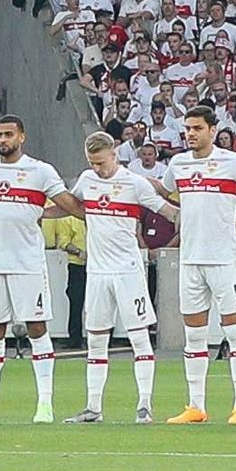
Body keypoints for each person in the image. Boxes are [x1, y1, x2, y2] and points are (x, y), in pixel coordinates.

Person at [154, 107, 236, 422]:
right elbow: (164, 191)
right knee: (194, 336)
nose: (190, 134)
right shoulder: (178, 164)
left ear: (213, 130)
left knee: (235, 332)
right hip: (190, 259)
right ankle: (196, 406)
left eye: (197, 128)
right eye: (187, 128)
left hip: (224, 259)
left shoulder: (234, 163)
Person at [0, 113, 65, 421]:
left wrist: (43, 213)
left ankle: (45, 404)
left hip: (27, 263)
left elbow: (67, 203)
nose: (3, 140)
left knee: (36, 327)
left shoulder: (40, 171)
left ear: (22, 136)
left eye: (9, 134)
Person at [60, 127, 159, 421]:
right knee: (96, 339)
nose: (97, 169)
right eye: (92, 163)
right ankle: (94, 407)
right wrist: (36, 211)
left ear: (114, 155)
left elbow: (164, 208)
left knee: (139, 337)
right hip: (97, 272)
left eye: (101, 163)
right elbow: (71, 205)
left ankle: (144, 404)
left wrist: (186, 218)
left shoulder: (135, 183)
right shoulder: (87, 180)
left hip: (128, 271)